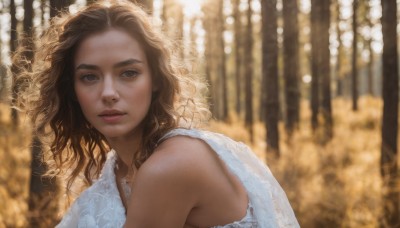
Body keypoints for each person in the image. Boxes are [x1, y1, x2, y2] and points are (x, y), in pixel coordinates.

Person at [18, 0, 300, 227]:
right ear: (71, 89)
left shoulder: (170, 166)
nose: (108, 92)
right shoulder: (115, 168)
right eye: (89, 77)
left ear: (155, 81)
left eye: (128, 73)